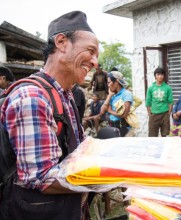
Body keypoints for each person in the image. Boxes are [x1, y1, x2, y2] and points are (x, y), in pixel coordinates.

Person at [0, 11, 99, 219]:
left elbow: (76, 148)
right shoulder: (33, 97)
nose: (95, 62)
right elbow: (42, 177)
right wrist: (110, 177)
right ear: (62, 42)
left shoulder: (65, 94)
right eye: (91, 51)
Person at [101, 71, 133, 137]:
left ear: (116, 82)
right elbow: (102, 111)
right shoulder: (112, 95)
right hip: (111, 126)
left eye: (109, 82)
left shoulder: (126, 94)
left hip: (122, 128)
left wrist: (110, 111)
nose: (108, 85)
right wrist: (109, 96)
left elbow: (124, 115)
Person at [146, 67, 173, 137]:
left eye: (162, 74)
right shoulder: (151, 88)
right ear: (155, 76)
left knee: (165, 135)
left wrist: (168, 114)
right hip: (154, 114)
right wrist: (149, 113)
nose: (160, 76)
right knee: (152, 136)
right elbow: (148, 102)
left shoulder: (167, 88)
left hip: (165, 114)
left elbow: (170, 102)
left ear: (164, 76)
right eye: (158, 74)